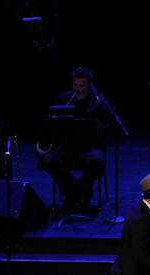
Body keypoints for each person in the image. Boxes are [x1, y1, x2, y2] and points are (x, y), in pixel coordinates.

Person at [38, 67, 109, 212]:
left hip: (90, 146)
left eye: (81, 85)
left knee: (97, 162)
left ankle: (71, 195)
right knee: (47, 161)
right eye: (75, 85)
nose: (77, 89)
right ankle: (80, 192)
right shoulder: (62, 99)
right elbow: (51, 124)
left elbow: (103, 130)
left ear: (89, 85)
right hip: (65, 145)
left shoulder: (97, 103)